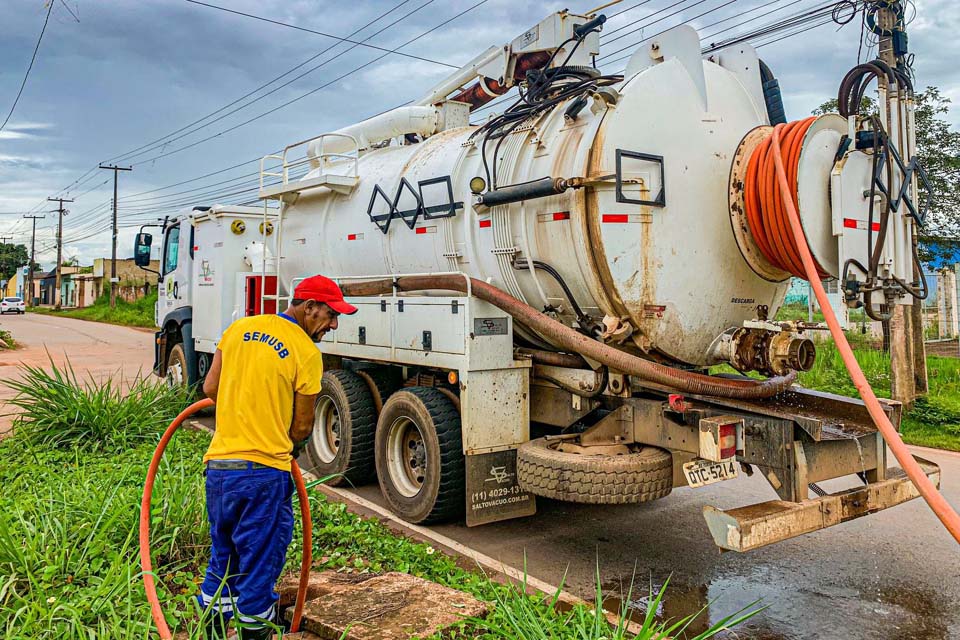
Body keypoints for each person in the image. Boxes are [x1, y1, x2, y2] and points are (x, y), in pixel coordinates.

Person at [198, 274, 357, 639]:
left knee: (224, 557)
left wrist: (246, 410)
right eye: (331, 315)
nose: (333, 324)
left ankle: (211, 633)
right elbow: (302, 426)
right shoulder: (305, 351)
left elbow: (210, 388)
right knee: (260, 563)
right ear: (308, 306)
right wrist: (277, 433)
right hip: (264, 473)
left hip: (219, 467)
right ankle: (255, 632)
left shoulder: (239, 328)